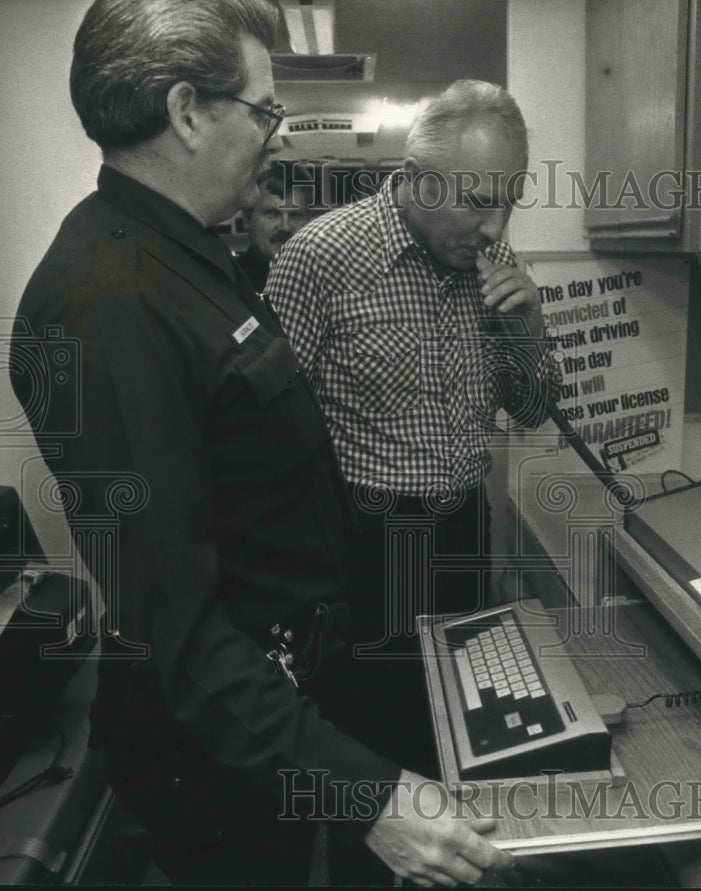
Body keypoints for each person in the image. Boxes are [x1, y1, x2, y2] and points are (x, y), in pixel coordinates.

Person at [9, 2, 514, 886]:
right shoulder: (109, 301)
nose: (277, 141)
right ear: (186, 111)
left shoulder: (185, 256)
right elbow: (178, 625)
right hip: (213, 753)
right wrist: (365, 795)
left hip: (270, 708)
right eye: (265, 111)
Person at [267, 79, 557, 773]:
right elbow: (262, 434)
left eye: (509, 202)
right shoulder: (319, 257)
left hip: (463, 530)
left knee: (464, 737)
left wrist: (528, 329)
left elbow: (533, 408)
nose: (496, 228)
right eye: (478, 203)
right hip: (365, 548)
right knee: (374, 758)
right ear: (418, 181)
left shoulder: (495, 265)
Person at [235, 161, 312, 292]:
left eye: (295, 215)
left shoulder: (325, 283)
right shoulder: (227, 284)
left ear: (309, 221)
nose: (285, 227)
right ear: (247, 219)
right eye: (272, 214)